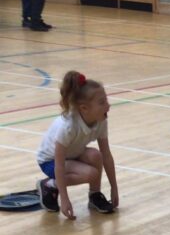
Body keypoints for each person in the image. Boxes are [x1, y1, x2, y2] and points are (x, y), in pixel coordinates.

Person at [36, 70, 119, 219]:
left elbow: (106, 155)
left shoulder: (101, 120)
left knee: (96, 155)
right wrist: (64, 199)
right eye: (102, 102)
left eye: (106, 100)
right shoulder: (68, 126)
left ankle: (95, 196)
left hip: (72, 154)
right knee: (90, 173)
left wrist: (114, 188)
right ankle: (49, 185)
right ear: (84, 108)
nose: (108, 105)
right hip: (50, 161)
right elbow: (59, 164)